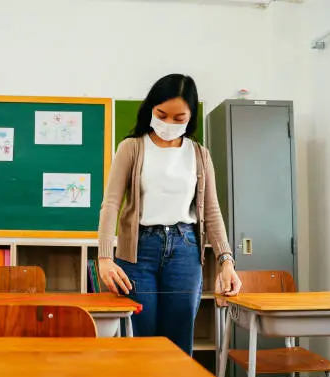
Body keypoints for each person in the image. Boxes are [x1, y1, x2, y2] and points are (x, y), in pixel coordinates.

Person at [97, 73, 242, 356]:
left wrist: (226, 262)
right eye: (161, 115)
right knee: (140, 340)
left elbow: (212, 212)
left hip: (185, 251)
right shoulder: (132, 147)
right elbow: (111, 203)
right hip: (139, 252)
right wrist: (104, 257)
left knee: (178, 341)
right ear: (150, 108)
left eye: (179, 118)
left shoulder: (199, 154)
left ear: (190, 117)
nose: (168, 124)